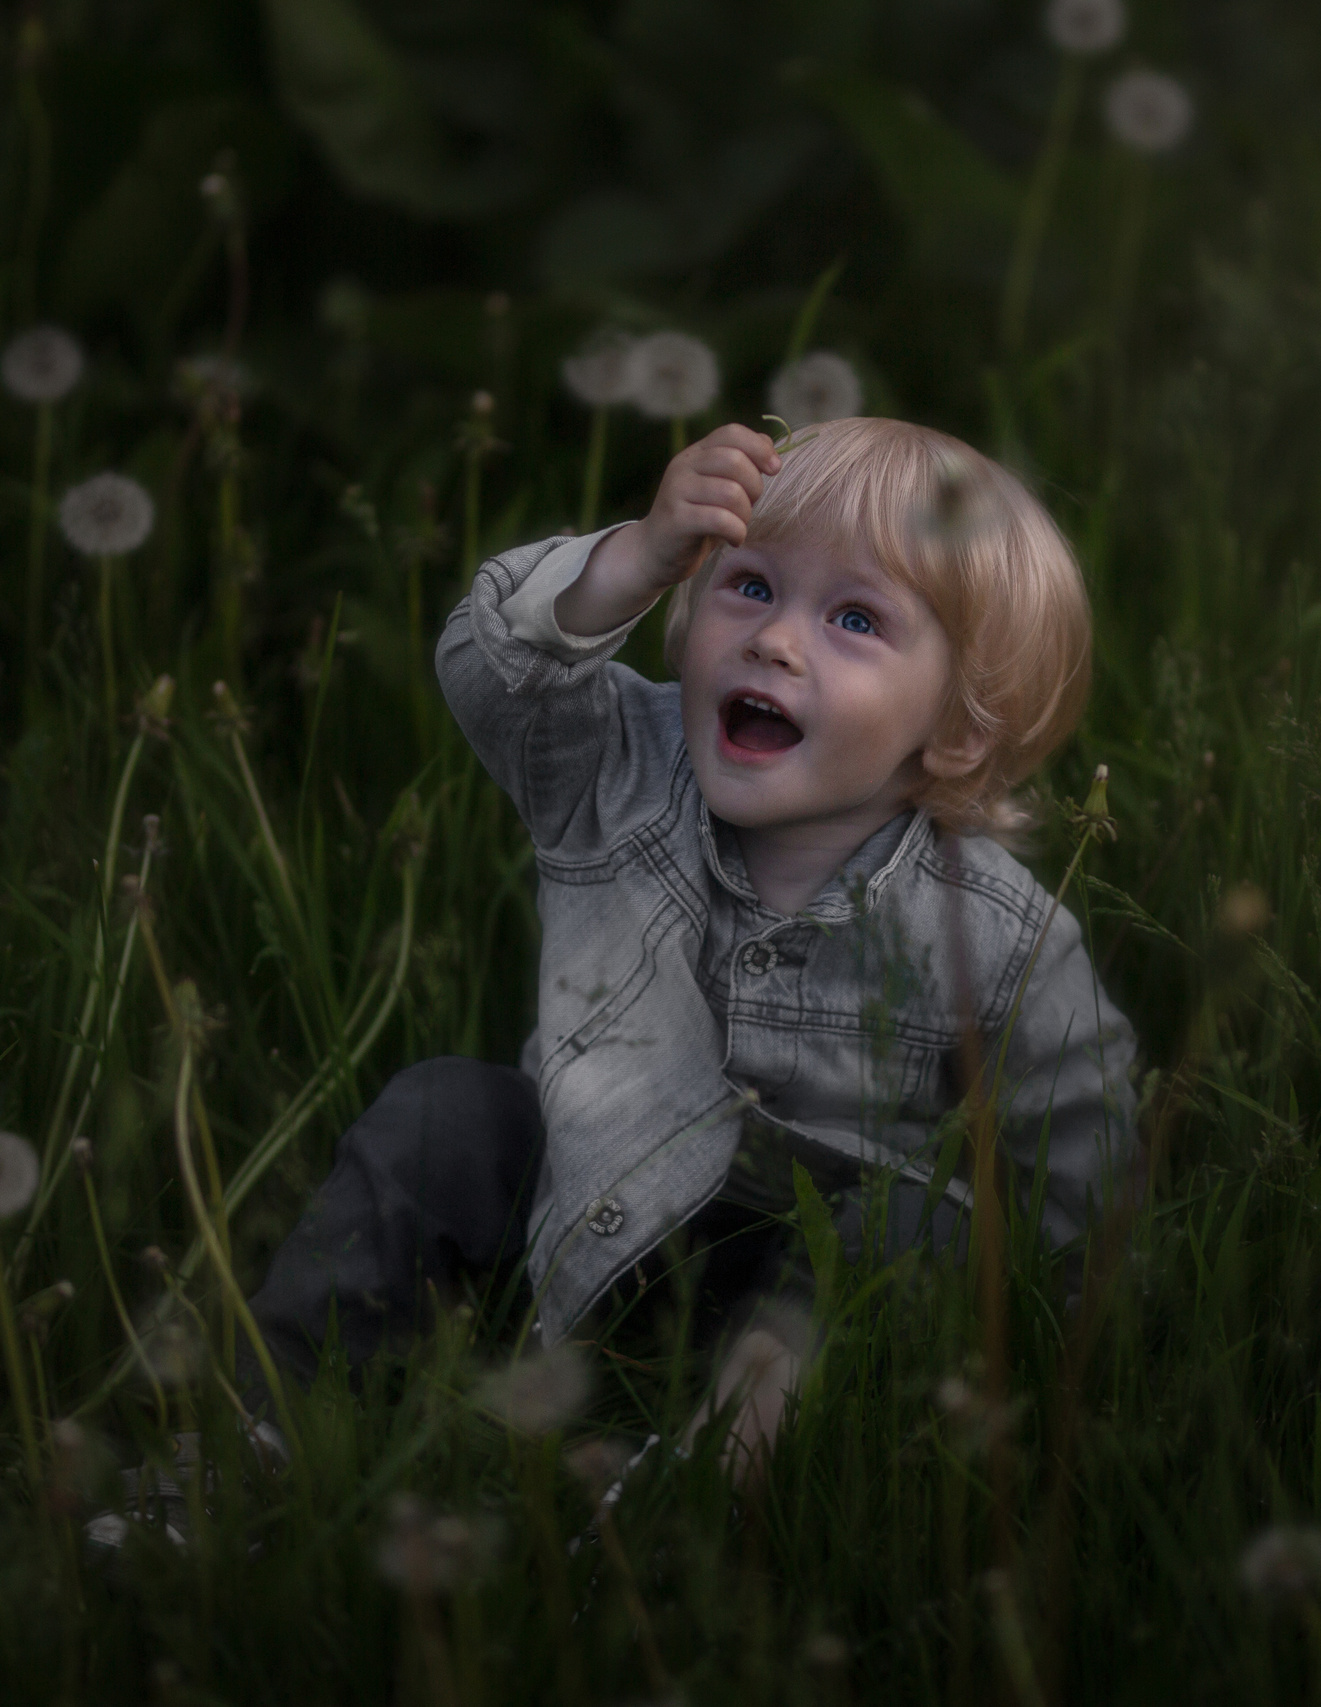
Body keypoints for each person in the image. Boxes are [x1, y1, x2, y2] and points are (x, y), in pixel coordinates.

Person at [246, 415, 1136, 1479]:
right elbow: (496, 675)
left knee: (917, 1230)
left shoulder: (994, 934)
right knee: (446, 1114)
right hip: (580, 1207)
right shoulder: (620, 766)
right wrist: (627, 560)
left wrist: (1051, 1329)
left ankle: (696, 1496)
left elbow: (1075, 1169)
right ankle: (256, 1437)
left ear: (954, 729)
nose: (774, 639)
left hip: (810, 1281)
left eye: (855, 619)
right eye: (750, 586)